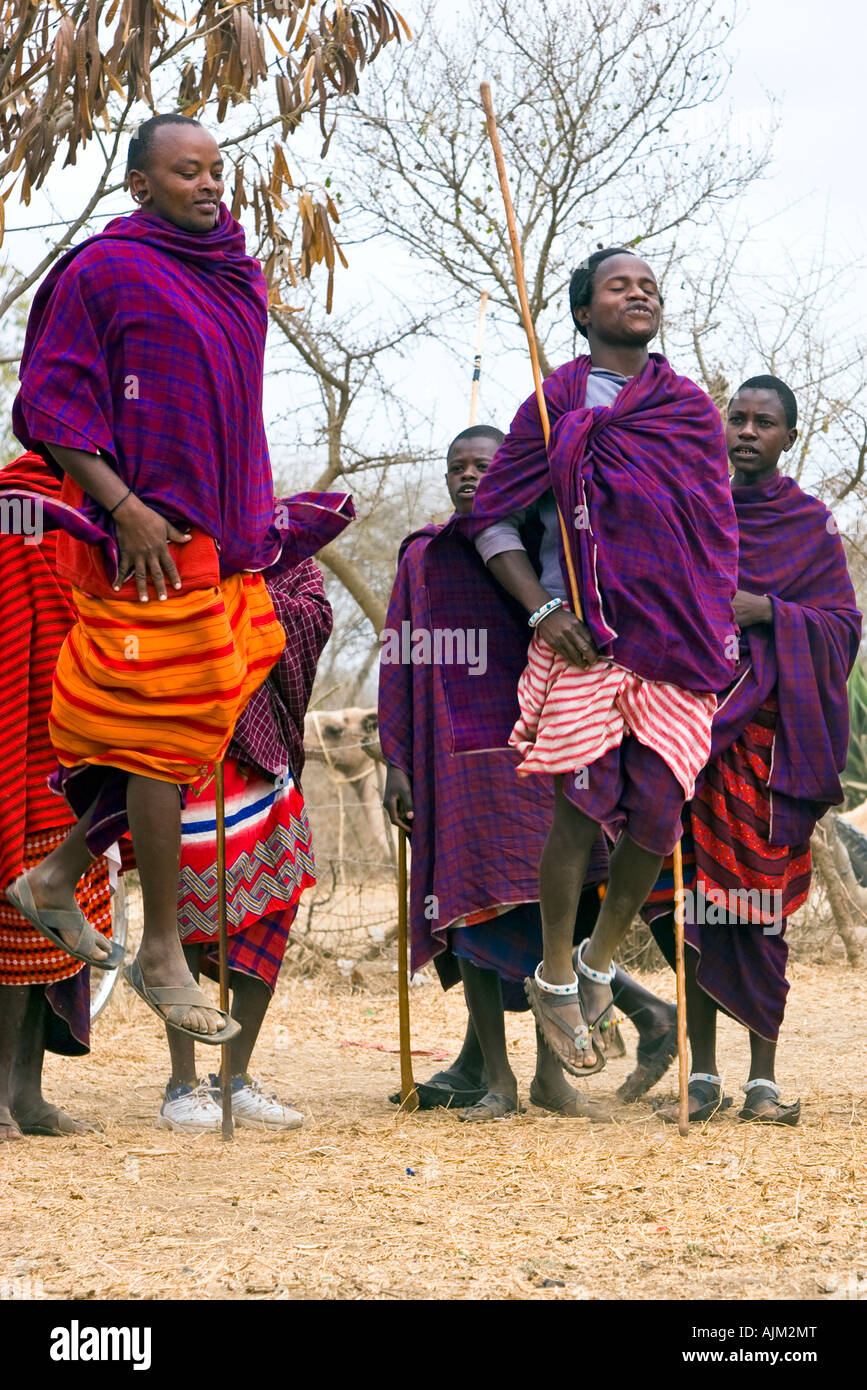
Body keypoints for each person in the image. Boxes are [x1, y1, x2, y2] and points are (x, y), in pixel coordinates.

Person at [7, 114, 351, 1047]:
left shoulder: (236, 274)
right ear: (141, 187)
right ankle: (162, 947)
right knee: (163, 734)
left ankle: (58, 872)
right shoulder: (101, 272)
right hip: (143, 545)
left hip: (223, 542)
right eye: (185, 172)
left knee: (197, 722)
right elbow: (50, 404)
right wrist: (123, 508)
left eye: (216, 171)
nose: (208, 186)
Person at [443, 249, 739, 1080]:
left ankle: (602, 962)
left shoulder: (685, 410)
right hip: (589, 639)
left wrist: (712, 621)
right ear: (581, 312)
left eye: (649, 284)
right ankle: (556, 974)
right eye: (619, 285)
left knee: (658, 808)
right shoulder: (555, 404)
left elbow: (713, 531)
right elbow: (491, 518)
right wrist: (543, 610)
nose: (639, 292)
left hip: (674, 641)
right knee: (578, 811)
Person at [379, 425, 678, 1121]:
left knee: (554, 910)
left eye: (483, 465)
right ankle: (498, 1083)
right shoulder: (426, 555)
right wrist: (397, 764)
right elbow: (399, 660)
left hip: (542, 755)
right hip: (455, 765)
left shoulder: (555, 559)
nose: (467, 476)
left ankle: (554, 1076)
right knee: (468, 916)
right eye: (456, 466)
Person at [646, 376, 861, 1124]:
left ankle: (761, 1081)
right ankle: (702, 1076)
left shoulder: (808, 526)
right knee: (695, 908)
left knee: (758, 909)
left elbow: (840, 626)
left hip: (767, 751)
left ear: (787, 437)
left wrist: (766, 610)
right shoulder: (692, 512)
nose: (744, 431)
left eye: (762, 422)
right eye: (734, 418)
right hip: (689, 737)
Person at [158, 558, 333, 1132]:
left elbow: (312, 620)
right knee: (186, 916)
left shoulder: (288, 554)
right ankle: (182, 1087)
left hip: (265, 756)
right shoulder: (174, 544)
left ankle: (233, 1076)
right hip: (189, 749)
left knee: (273, 910)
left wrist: (241, 591)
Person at [0, 452, 115, 1140]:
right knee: (15, 929)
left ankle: (28, 1095)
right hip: (20, 736)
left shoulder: (100, 502)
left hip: (79, 739)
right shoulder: (17, 503)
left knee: (59, 933)